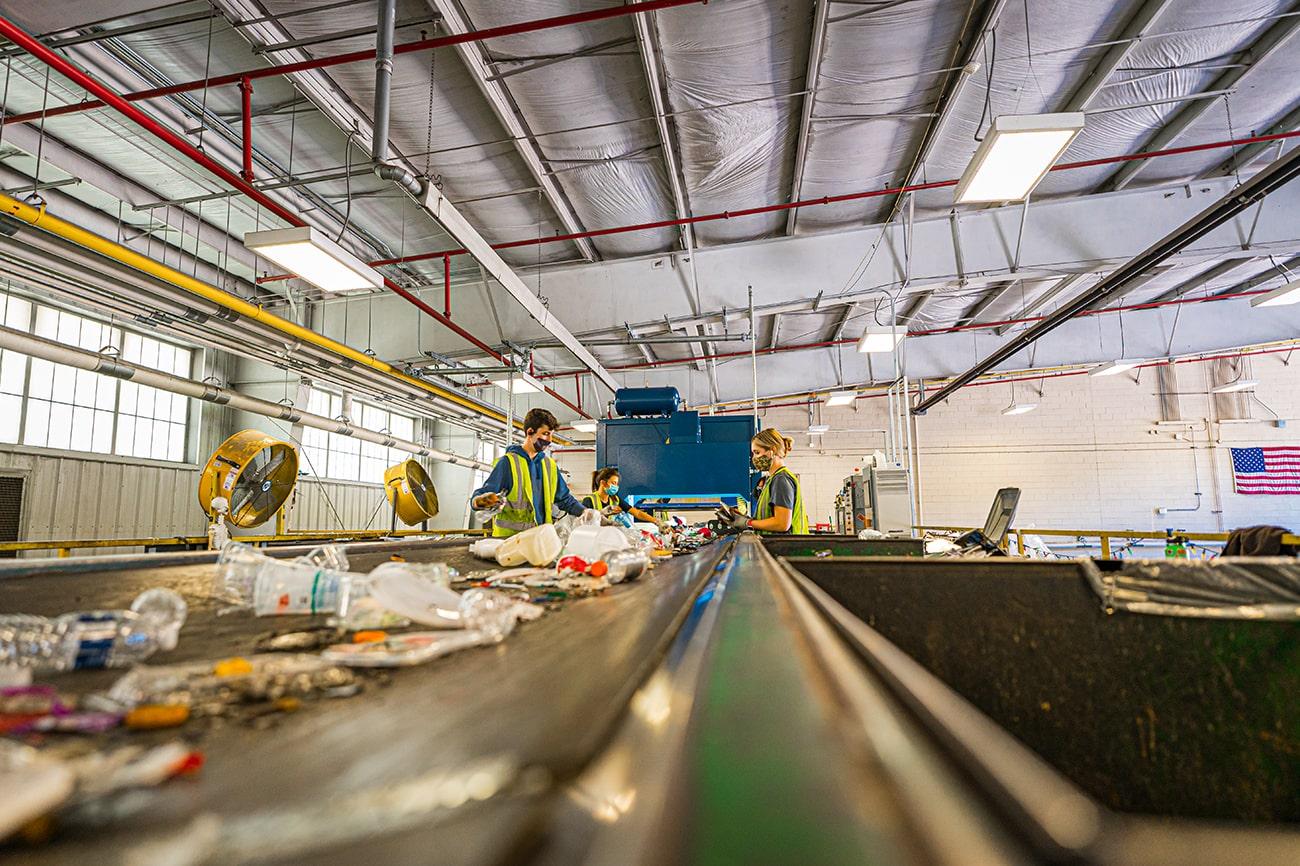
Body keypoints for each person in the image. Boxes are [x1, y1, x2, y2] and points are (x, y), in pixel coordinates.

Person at [471, 408, 595, 537]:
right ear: (530, 432)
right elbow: (483, 496)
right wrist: (479, 501)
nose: (550, 439)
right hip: (511, 542)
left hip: (540, 539)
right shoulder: (508, 463)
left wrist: (587, 513)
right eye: (546, 433)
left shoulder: (549, 465)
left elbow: (564, 499)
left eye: (551, 434)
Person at [716, 428, 808, 534]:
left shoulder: (781, 479)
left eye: (757, 452)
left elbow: (782, 524)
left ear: (772, 450)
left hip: (785, 547)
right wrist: (742, 518)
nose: (754, 458)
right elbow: (770, 518)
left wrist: (748, 523)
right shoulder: (771, 480)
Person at [583, 467, 659, 527]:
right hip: (595, 537)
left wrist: (657, 522)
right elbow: (583, 521)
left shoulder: (615, 499)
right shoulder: (589, 500)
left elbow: (637, 513)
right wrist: (601, 514)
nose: (616, 486)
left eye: (617, 484)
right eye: (613, 483)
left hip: (608, 536)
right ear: (603, 483)